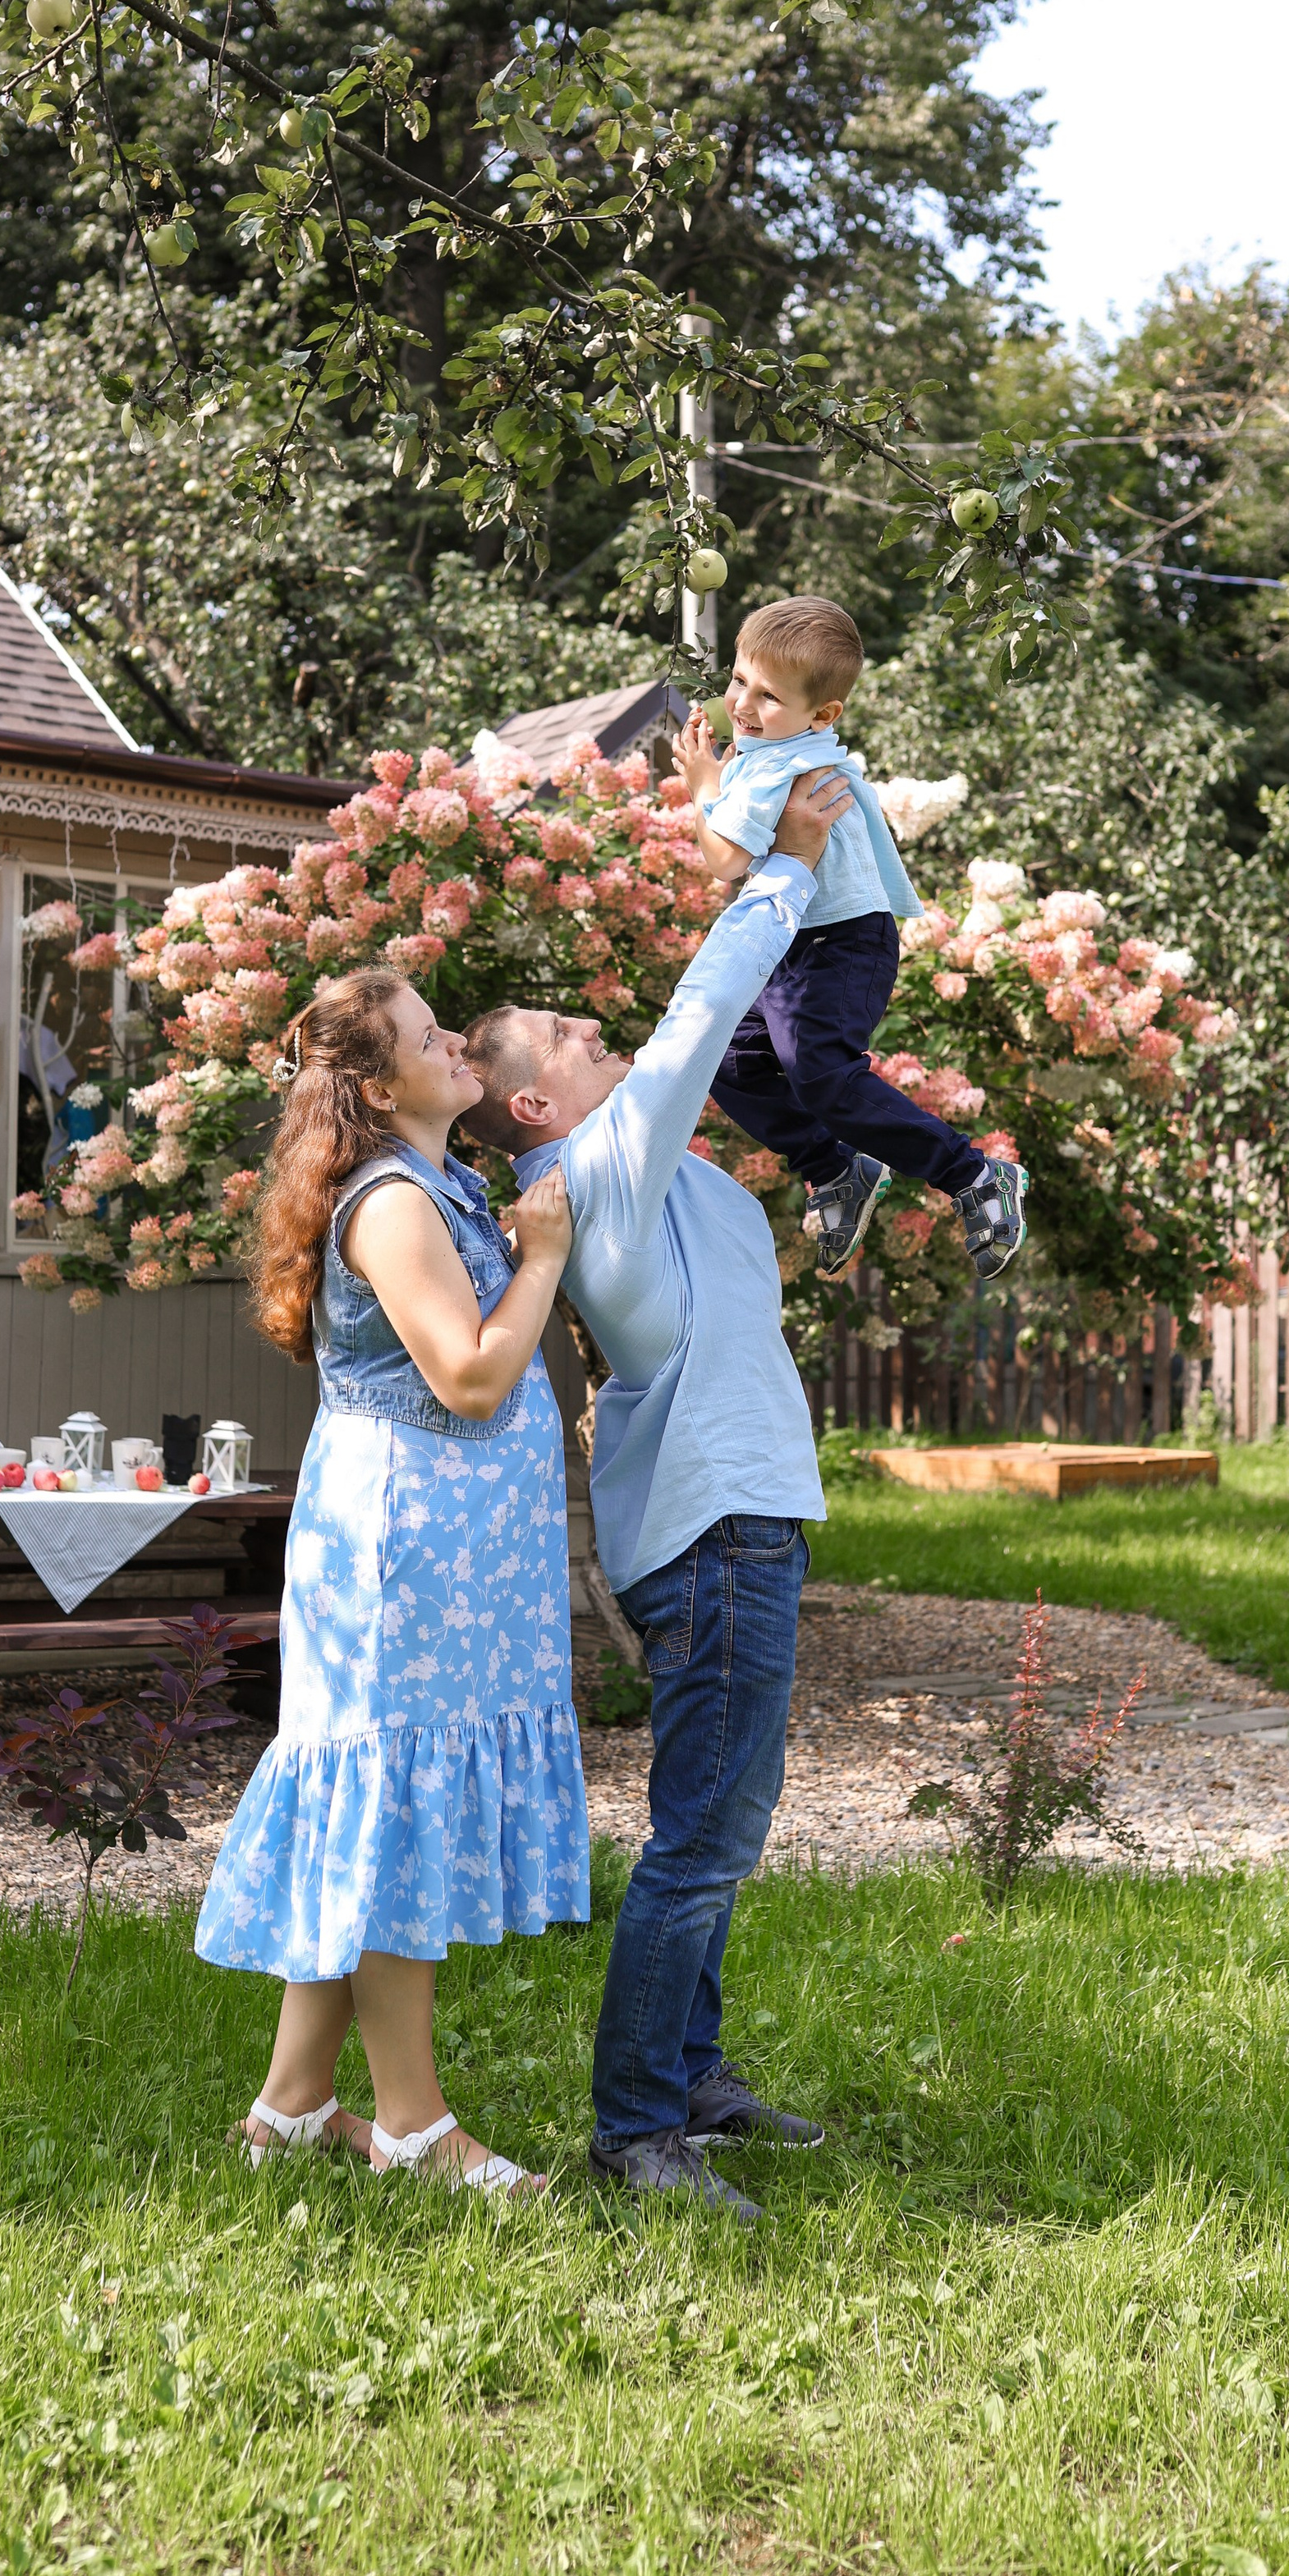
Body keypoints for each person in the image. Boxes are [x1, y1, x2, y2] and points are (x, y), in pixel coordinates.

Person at [461, 764, 856, 2221]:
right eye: (566, 1033)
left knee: (723, 1828)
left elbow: (762, 1065)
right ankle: (635, 2130)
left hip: (741, 1522)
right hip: (714, 1538)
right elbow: (702, 1012)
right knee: (700, 1836)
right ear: (530, 1099)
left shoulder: (670, 1172)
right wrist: (792, 856)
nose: (595, 1028)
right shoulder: (604, 1167)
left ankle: (689, 2078)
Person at [195, 966, 585, 2195]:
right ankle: (415, 2127)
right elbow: (470, 1378)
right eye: (432, 1038)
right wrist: (545, 1261)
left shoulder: (437, 1183)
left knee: (381, 1802)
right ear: (377, 1085)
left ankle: (291, 2108)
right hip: (405, 1555)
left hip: (448, 1559)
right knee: (393, 1809)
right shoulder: (393, 1203)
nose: (460, 1044)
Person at [679, 592, 1027, 1286]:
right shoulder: (771, 748)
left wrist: (701, 785)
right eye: (739, 680)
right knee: (730, 1063)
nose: (743, 704)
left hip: (839, 945)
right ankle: (836, 1169)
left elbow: (724, 859)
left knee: (823, 1074)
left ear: (823, 713)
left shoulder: (780, 764)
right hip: (791, 946)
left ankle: (977, 1176)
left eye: (769, 695)